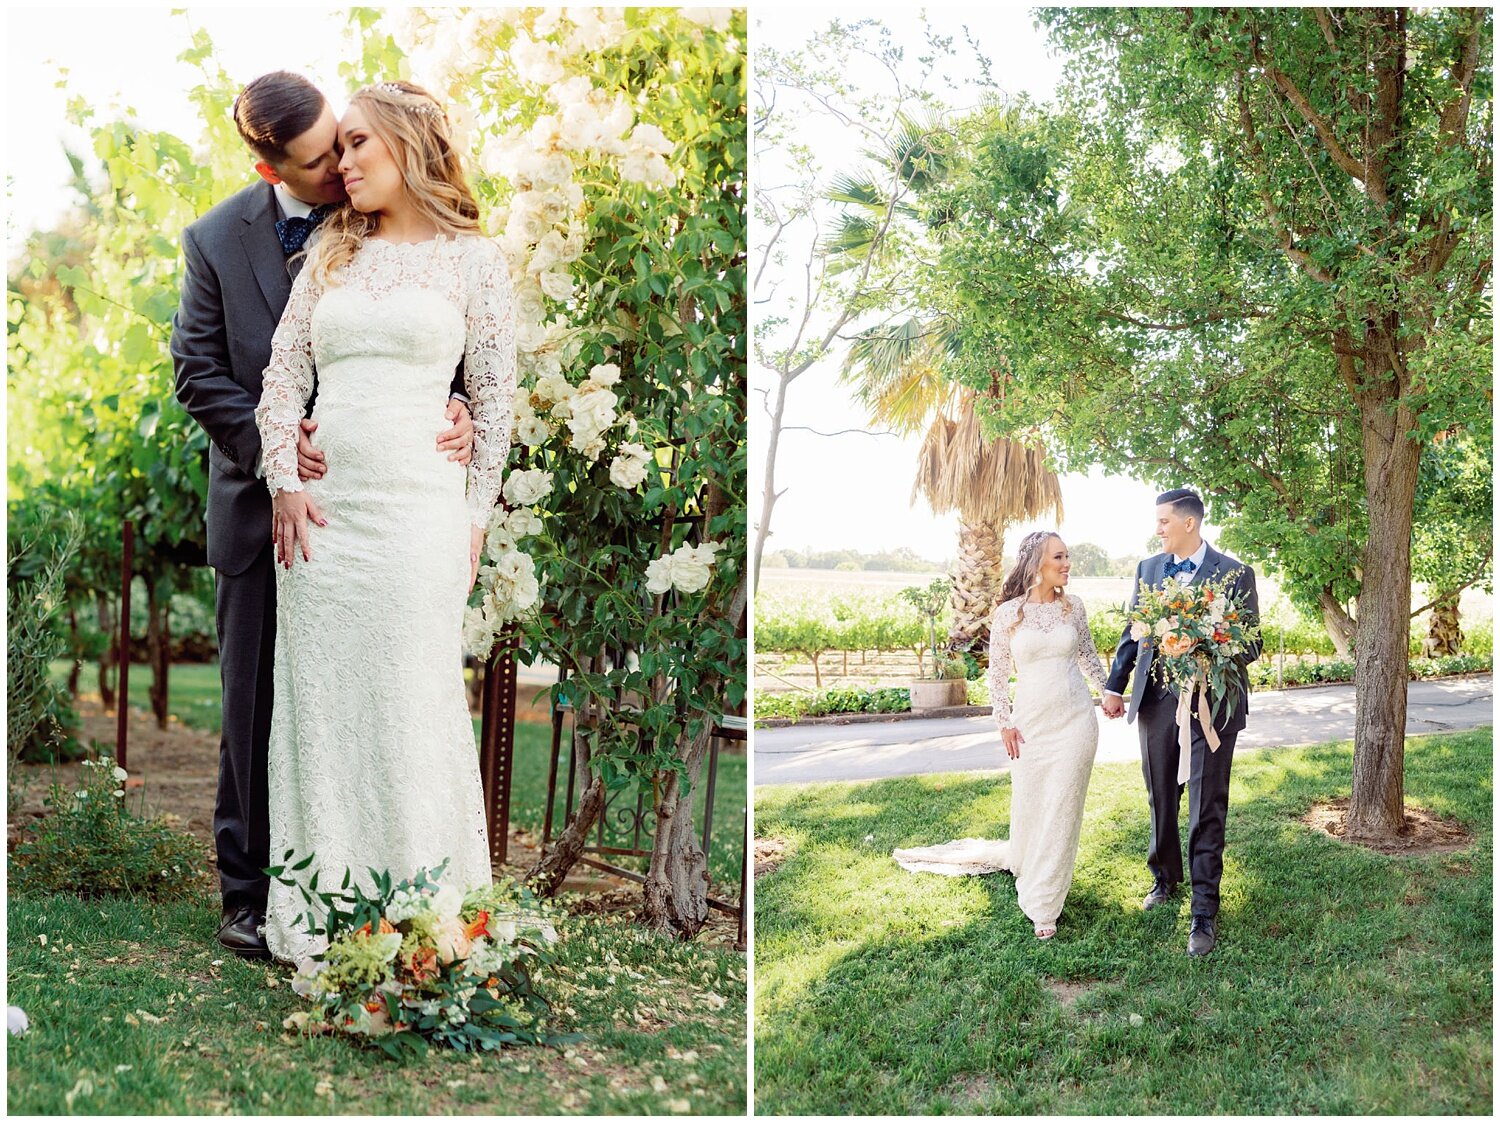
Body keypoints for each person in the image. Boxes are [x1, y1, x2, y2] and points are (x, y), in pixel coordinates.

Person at [171, 71, 476, 960]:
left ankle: (367, 879)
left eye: (342, 143)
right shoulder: (214, 240)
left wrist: (457, 404)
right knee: (254, 704)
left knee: (362, 698)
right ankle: (248, 893)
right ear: (270, 169)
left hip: (378, 507)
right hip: (259, 503)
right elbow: (198, 371)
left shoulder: (374, 221)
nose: (335, 169)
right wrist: (277, 455)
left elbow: (427, 331)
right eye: (312, 162)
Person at [253, 79, 515, 963]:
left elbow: (495, 401)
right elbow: (283, 376)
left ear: (407, 144)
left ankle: (426, 919)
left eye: (359, 144)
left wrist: (473, 522)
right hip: (322, 526)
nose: (344, 163)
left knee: (413, 705)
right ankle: (328, 917)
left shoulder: (475, 261)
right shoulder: (331, 248)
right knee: (322, 711)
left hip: (419, 522)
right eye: (339, 147)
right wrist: (285, 479)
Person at [894, 532, 1113, 939]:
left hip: (1076, 721)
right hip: (1030, 725)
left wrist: (1110, 693)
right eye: (1059, 556)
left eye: (1068, 556)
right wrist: (1004, 722)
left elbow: (1087, 657)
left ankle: (1044, 902)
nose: (1067, 564)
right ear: (1036, 563)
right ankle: (1031, 863)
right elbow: (996, 676)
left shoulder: (1073, 608)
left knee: (1063, 807)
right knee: (1033, 806)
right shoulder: (1008, 614)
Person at [1101, 488, 1261, 957]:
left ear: (1188, 523)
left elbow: (1251, 645)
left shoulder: (1235, 573)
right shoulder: (1148, 570)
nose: (1158, 529)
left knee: (1207, 803)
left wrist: (1202, 644)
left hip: (1212, 705)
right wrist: (1116, 684)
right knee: (1161, 797)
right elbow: (1134, 631)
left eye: (1164, 521)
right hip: (1156, 703)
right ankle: (1164, 878)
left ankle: (1204, 911)